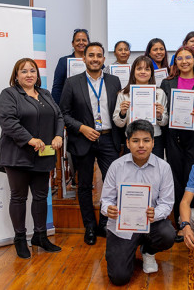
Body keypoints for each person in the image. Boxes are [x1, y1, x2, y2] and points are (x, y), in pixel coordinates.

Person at [0, 58, 64, 259]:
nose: (29, 75)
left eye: (32, 71)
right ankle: (20, 238)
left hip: (43, 155)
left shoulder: (45, 94)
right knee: (19, 197)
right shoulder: (9, 94)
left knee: (41, 196)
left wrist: (59, 135)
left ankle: (40, 236)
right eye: (24, 71)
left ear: (37, 74)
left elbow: (59, 116)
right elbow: (8, 122)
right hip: (17, 155)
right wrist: (30, 140)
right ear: (16, 76)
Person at [59, 42, 122, 246]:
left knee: (111, 183)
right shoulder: (72, 82)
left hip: (108, 138)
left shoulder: (114, 81)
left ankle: (104, 223)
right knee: (84, 185)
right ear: (84, 59)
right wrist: (82, 128)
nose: (95, 59)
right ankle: (89, 226)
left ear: (104, 59)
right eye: (91, 55)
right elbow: (63, 114)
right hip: (82, 139)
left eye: (99, 55)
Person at [101, 120, 176, 286]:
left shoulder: (163, 167)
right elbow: (105, 200)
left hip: (151, 224)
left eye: (146, 140)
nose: (141, 145)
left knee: (168, 234)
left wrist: (155, 213)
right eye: (135, 141)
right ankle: (125, 251)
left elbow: (166, 203)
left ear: (153, 142)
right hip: (123, 227)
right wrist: (109, 210)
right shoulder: (116, 166)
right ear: (127, 143)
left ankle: (148, 251)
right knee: (119, 278)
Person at [161, 46, 194, 241]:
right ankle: (178, 221)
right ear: (175, 62)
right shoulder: (167, 83)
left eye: (188, 58)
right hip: (173, 135)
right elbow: (163, 112)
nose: (184, 61)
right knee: (175, 178)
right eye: (179, 58)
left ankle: (190, 221)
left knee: (193, 177)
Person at [113, 56, 168, 158]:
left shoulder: (159, 93)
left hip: (154, 139)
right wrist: (122, 113)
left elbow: (164, 122)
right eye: (139, 69)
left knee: (155, 172)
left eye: (147, 69)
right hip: (132, 139)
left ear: (151, 72)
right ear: (133, 71)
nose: (143, 72)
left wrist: (159, 115)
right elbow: (118, 123)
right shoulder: (123, 94)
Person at [51, 28, 90, 104]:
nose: (81, 43)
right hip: (68, 105)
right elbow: (57, 88)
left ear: (88, 43)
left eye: (84, 40)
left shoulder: (94, 61)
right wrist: (57, 110)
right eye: (78, 40)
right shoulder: (63, 61)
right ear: (73, 43)